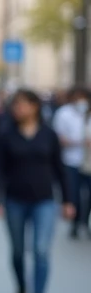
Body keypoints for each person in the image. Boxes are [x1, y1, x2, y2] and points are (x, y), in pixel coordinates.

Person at [0, 89, 74, 293]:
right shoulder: (6, 135)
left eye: (23, 105)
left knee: (40, 249)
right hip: (15, 199)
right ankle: (21, 289)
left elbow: (60, 168)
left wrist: (68, 200)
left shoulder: (49, 135)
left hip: (44, 200)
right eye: (15, 105)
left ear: (35, 106)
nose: (18, 109)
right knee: (18, 251)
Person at [52, 87, 91, 238]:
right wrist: (78, 142)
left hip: (88, 162)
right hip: (70, 161)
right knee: (73, 194)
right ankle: (75, 223)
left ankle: (85, 222)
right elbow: (58, 138)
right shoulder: (64, 113)